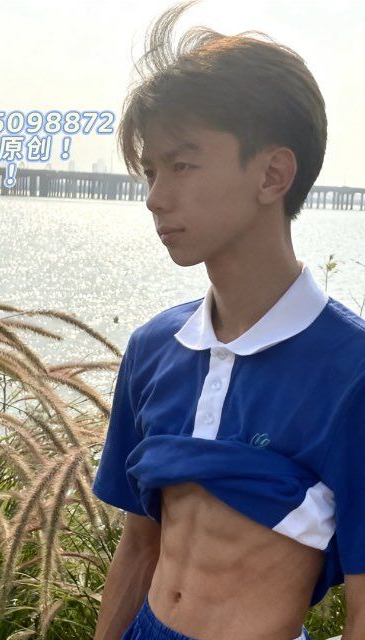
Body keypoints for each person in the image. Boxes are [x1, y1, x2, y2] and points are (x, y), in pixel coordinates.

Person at [91, 2, 365, 639]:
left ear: (273, 174)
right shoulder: (154, 348)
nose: (155, 197)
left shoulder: (350, 372)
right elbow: (139, 546)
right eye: (151, 171)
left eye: (182, 165)